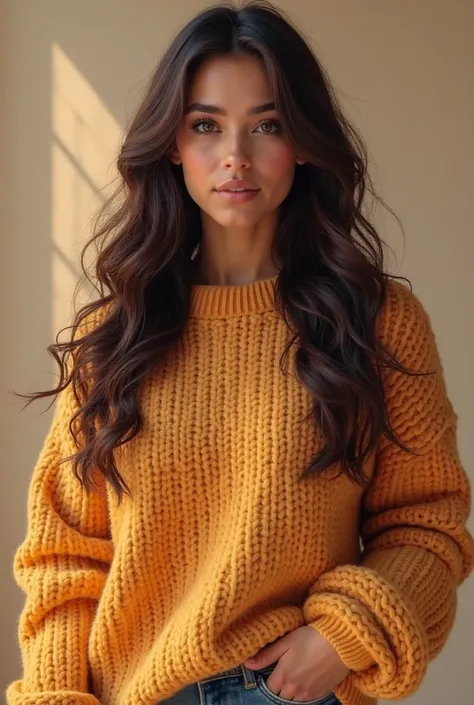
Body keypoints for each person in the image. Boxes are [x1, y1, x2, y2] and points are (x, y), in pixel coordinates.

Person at [7, 2, 474, 705]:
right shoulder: (118, 334)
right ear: (172, 143)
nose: (236, 156)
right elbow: (64, 556)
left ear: (305, 142)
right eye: (206, 126)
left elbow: (428, 524)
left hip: (292, 692)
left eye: (268, 125)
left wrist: (342, 634)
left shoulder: (377, 323)